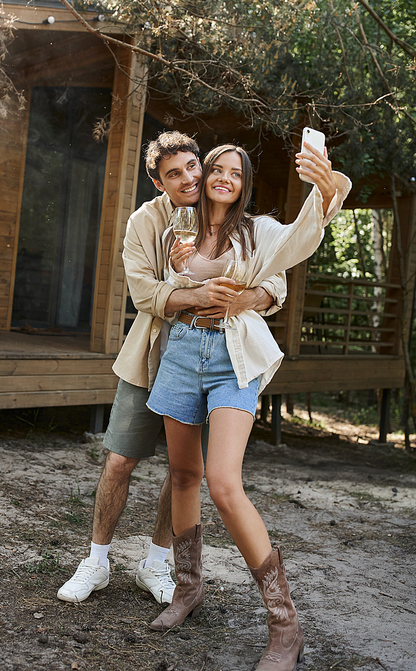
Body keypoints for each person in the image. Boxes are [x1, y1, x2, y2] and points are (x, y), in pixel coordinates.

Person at [57, 132, 287, 607]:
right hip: (152, 355)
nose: (190, 178)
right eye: (174, 174)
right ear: (156, 182)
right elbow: (143, 294)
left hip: (213, 360)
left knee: (185, 473)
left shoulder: (234, 218)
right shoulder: (146, 222)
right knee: (120, 459)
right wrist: (194, 293)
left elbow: (273, 281)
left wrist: (246, 298)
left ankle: (158, 564)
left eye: (193, 167)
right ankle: (96, 561)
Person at [145, 142, 351, 671]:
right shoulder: (178, 230)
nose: (224, 177)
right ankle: (187, 588)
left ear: (244, 184)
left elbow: (301, 237)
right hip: (182, 349)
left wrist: (325, 187)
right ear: (204, 174)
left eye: (236, 173)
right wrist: (179, 268)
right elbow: (165, 283)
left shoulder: (258, 231)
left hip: (232, 357)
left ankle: (285, 623)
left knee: (223, 482)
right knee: (183, 474)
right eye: (217, 168)